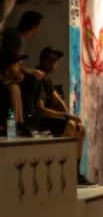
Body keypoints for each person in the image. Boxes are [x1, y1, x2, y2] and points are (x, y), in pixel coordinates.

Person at [30, 47, 90, 184]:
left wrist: (69, 114)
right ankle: (63, 169)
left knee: (80, 128)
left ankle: (76, 172)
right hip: (38, 121)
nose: (54, 64)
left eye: (55, 61)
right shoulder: (37, 79)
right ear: (44, 61)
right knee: (70, 126)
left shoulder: (46, 79)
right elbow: (42, 110)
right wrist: (67, 117)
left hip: (47, 119)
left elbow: (57, 99)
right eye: (52, 60)